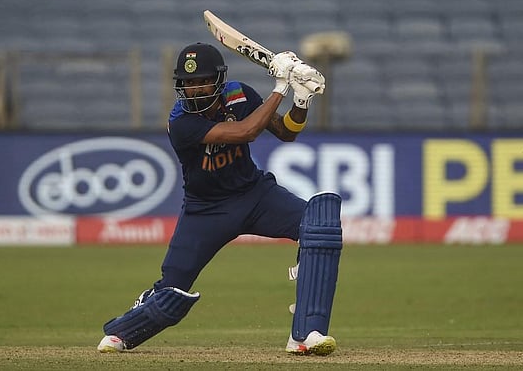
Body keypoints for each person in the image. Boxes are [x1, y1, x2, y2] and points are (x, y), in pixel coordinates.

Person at [97, 42, 343, 355]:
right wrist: (281, 86)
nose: (195, 89)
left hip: (255, 195)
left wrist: (302, 98)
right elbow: (245, 132)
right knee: (171, 291)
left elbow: (286, 132)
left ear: (218, 81)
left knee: (319, 226)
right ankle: (122, 331)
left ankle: (306, 333)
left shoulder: (239, 94)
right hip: (206, 210)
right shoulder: (181, 122)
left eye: (202, 81)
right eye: (188, 83)